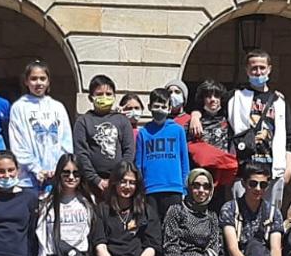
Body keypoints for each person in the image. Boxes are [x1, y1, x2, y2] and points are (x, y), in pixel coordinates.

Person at [224, 48, 290, 205]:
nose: (258, 72)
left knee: (271, 217)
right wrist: (196, 115)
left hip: (273, 171)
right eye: (254, 68)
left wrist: (288, 167)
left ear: (269, 69)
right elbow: (211, 108)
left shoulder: (279, 101)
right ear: (247, 70)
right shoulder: (235, 97)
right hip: (243, 170)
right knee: (240, 216)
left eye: (262, 67)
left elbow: (290, 137)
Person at [8, 60, 72, 191]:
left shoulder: (57, 107)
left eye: (42, 78)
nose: (38, 83)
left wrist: (59, 167)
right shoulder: (19, 107)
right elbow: (17, 142)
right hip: (28, 179)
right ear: (26, 81)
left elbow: (66, 141)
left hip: (55, 176)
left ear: (48, 82)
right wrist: (35, 169)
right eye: (34, 79)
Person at [74, 73, 135, 199]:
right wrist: (96, 180)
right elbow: (81, 153)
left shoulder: (122, 121)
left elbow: (129, 150)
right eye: (99, 94)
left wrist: (119, 178)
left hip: (119, 183)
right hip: (91, 184)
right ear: (91, 97)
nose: (104, 97)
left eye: (108, 94)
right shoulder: (83, 121)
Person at [136, 87, 190, 219]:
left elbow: (184, 161)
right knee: (152, 228)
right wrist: (140, 190)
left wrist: (185, 189)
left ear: (169, 108)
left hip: (174, 188)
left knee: (172, 229)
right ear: (149, 107)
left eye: (163, 106)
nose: (160, 109)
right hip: (150, 189)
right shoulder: (143, 132)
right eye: (156, 106)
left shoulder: (178, 130)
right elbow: (138, 165)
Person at [186, 80, 238, 201]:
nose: (213, 99)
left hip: (222, 177)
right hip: (199, 177)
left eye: (216, 96)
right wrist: (195, 115)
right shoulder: (194, 122)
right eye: (208, 96)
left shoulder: (229, 119)